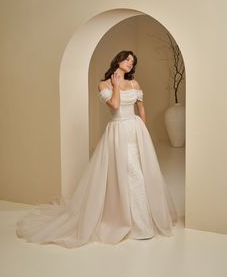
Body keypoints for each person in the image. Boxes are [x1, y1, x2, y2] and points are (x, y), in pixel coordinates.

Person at [16, 50, 178, 248]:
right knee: (127, 174)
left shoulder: (135, 84)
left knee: (140, 174)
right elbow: (115, 106)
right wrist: (116, 85)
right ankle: (134, 225)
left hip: (136, 130)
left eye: (132, 62)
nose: (130, 64)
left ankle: (142, 223)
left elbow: (141, 109)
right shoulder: (103, 84)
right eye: (127, 59)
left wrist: (143, 131)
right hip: (118, 131)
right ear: (118, 60)